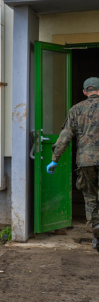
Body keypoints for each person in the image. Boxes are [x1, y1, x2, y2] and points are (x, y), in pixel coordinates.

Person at [48, 76, 99, 248]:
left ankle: (96, 233)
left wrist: (54, 160)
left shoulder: (76, 110)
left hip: (86, 161)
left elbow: (65, 136)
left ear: (85, 92)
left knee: (91, 197)